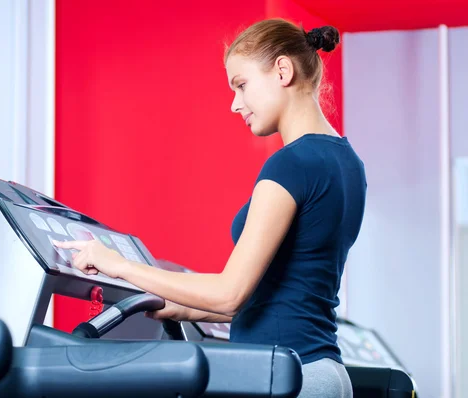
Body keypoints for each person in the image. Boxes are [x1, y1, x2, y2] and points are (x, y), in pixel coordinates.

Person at [54, 18, 366, 398]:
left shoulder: (292, 164)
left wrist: (117, 265)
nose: (235, 104)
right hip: (323, 374)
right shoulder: (348, 162)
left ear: (282, 70)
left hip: (288, 375)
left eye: (242, 85)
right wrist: (179, 308)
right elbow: (281, 299)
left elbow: (229, 293)